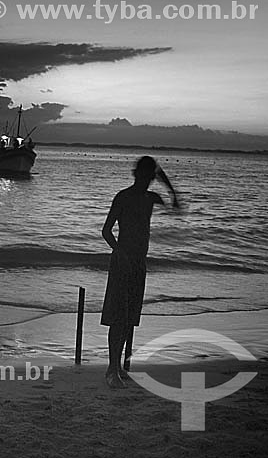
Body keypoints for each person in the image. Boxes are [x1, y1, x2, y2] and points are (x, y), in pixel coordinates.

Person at [101, 156, 180, 388]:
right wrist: (120, 252)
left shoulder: (150, 198)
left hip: (139, 263)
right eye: (144, 177)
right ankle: (112, 369)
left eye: (150, 178)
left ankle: (114, 367)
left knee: (129, 318)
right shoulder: (123, 197)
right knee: (118, 317)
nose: (147, 182)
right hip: (122, 263)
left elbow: (174, 204)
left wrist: (170, 188)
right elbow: (106, 231)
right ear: (137, 175)